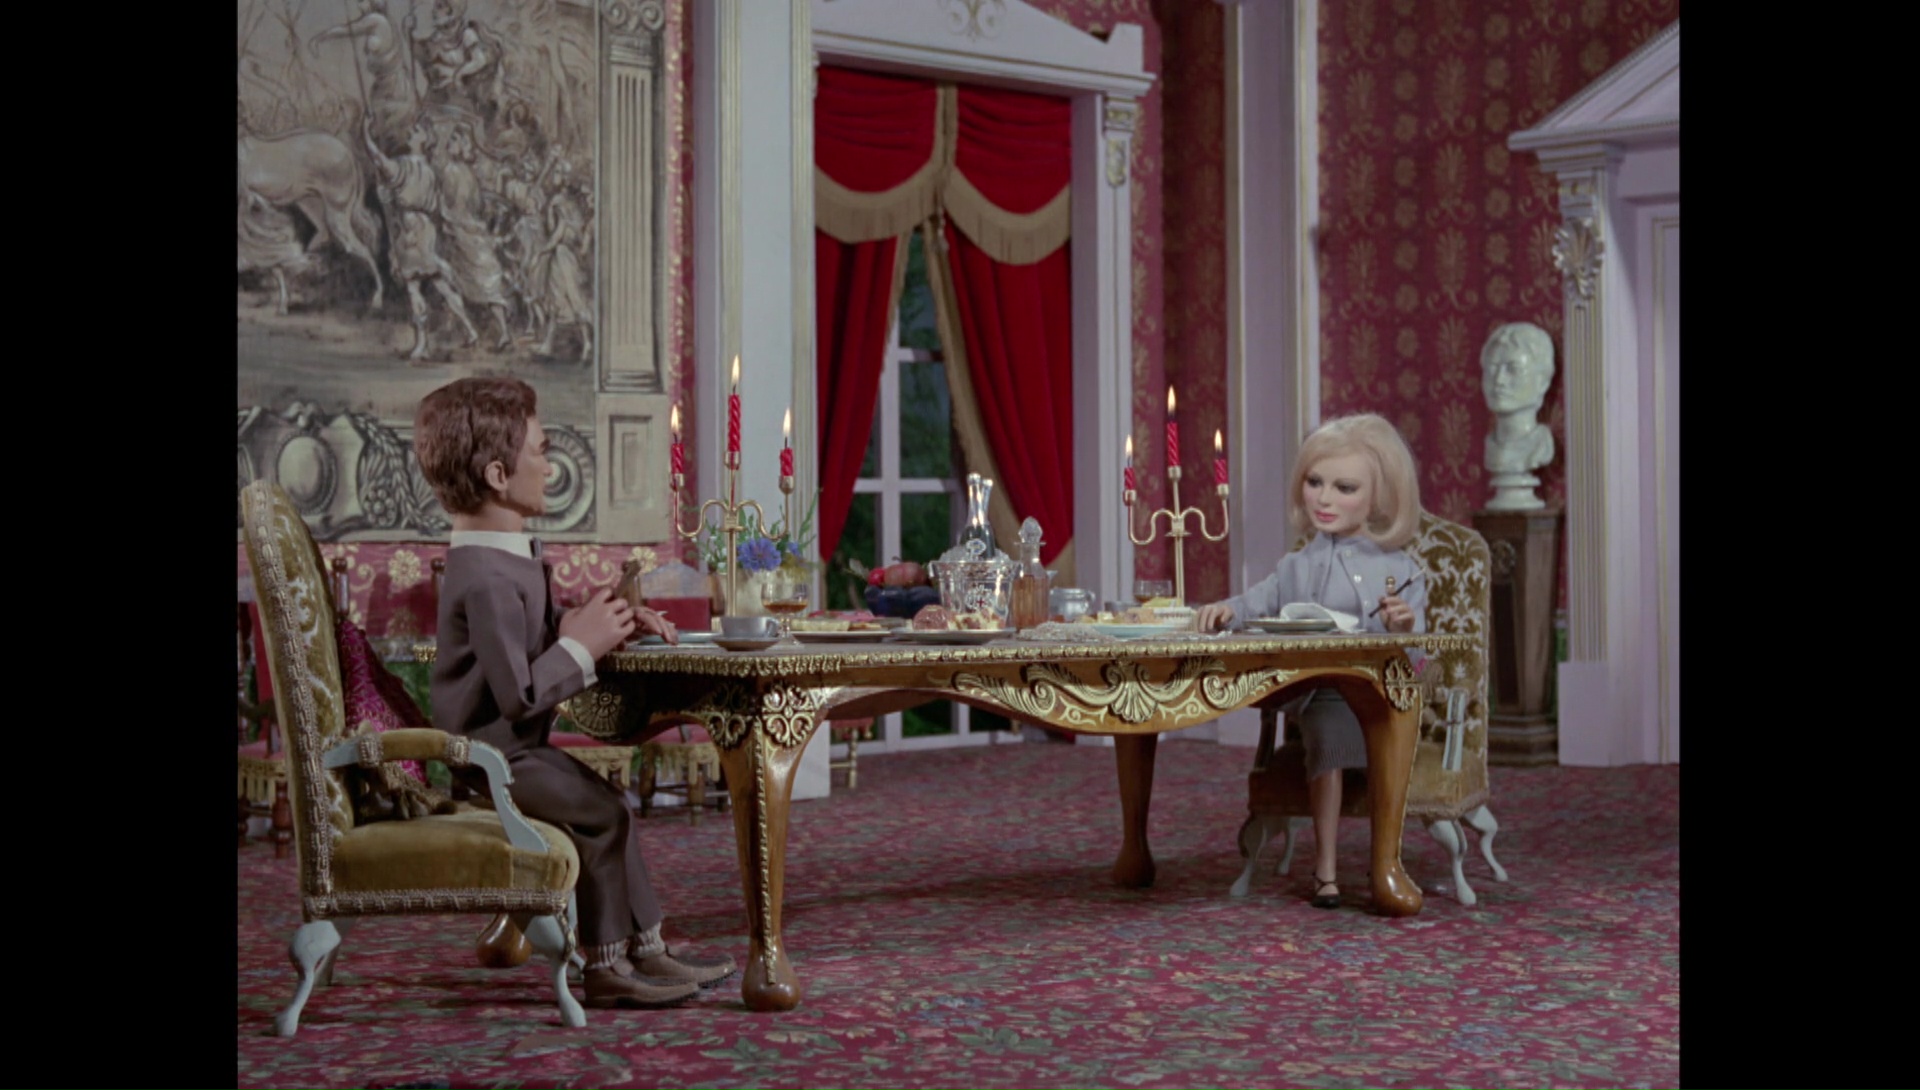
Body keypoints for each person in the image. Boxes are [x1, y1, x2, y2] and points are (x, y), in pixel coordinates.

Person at [413, 376, 737, 1008]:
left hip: (512, 751)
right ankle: (608, 965)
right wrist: (584, 645)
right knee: (604, 814)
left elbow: (537, 634)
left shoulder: (505, 557)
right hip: (490, 758)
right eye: (541, 451)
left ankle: (646, 950)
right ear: (498, 475)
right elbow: (519, 694)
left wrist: (608, 621)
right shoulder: (485, 576)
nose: (550, 467)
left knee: (608, 805)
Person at [1195, 413, 1426, 910]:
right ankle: (1326, 868)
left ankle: (1382, 860)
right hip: (1318, 691)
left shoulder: (1400, 568)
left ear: (1379, 498)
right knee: (1325, 721)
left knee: (1353, 722)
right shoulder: (1295, 566)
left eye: (1345, 488)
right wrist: (1225, 610)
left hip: (1377, 691)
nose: (1324, 498)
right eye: (1314, 482)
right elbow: (1254, 602)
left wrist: (1402, 627)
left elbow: (1416, 654)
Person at [1480, 321, 1556, 510]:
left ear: (1542, 382)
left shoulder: (1540, 446)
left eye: (1513, 369)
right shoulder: (1491, 446)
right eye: (1492, 369)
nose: (1499, 380)